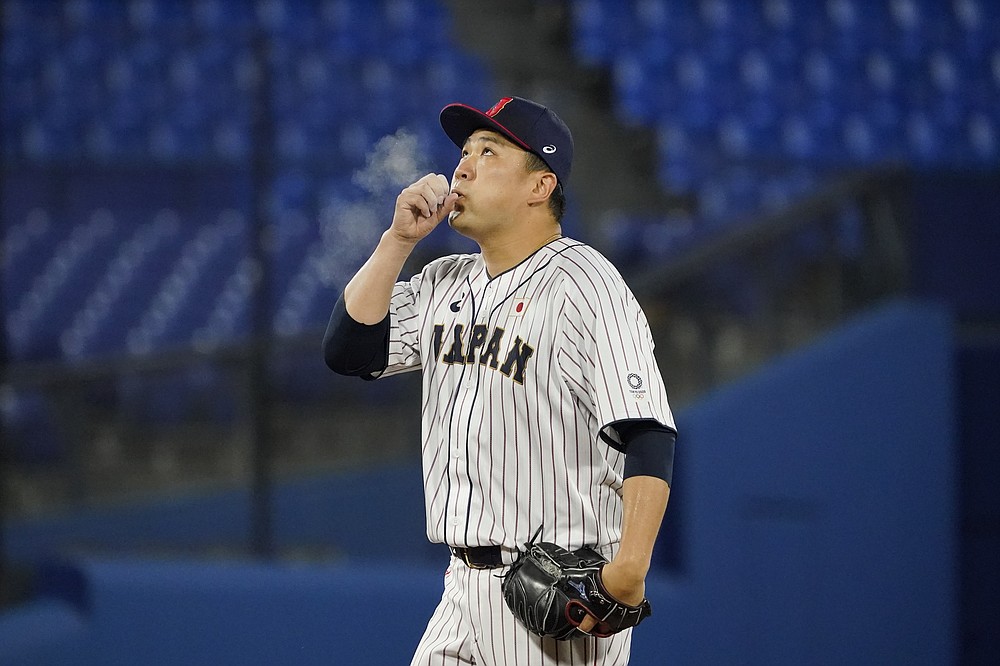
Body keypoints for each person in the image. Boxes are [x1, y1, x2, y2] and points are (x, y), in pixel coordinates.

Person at [323, 96, 676, 665]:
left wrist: (628, 573)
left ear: (540, 186)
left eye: (488, 153)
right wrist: (398, 242)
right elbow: (348, 350)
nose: (462, 166)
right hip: (461, 589)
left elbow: (648, 432)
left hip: (555, 601)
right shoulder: (445, 280)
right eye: (464, 151)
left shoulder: (585, 283)